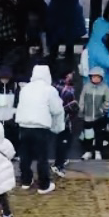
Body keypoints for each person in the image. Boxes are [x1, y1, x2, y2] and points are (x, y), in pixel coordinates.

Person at [15, 65, 64, 195]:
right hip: (40, 127)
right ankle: (44, 185)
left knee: (25, 155)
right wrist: (58, 127)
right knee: (42, 157)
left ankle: (26, 180)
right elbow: (57, 110)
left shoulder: (25, 88)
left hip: (24, 125)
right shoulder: (50, 90)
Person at [45, 0, 86, 69]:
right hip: (72, 9)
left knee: (54, 39)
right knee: (69, 40)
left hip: (57, 10)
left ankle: (53, 62)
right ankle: (69, 64)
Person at [79, 67, 109, 160]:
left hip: (99, 116)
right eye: (93, 77)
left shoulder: (105, 88)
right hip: (88, 116)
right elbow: (82, 99)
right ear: (90, 77)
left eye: (98, 77)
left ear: (101, 78)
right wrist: (81, 109)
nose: (96, 79)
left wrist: (103, 109)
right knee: (88, 135)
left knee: (99, 135)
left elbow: (108, 99)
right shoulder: (86, 87)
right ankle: (88, 151)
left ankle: (98, 151)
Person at [52, 68, 78, 178]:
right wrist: (73, 106)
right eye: (70, 74)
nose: (72, 76)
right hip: (63, 119)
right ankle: (58, 164)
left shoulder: (56, 86)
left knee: (64, 139)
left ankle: (61, 160)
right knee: (63, 141)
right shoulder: (65, 89)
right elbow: (68, 105)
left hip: (62, 119)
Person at [0, 65, 19, 153]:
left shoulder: (14, 86)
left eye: (6, 78)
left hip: (10, 116)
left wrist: (14, 112)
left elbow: (17, 100)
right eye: (2, 78)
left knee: (12, 136)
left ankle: (13, 153)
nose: (4, 80)